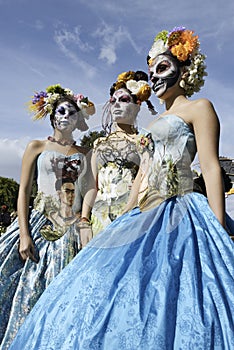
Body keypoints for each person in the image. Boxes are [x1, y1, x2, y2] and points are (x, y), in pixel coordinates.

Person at [9, 27, 234, 350]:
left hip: (182, 209)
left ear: (184, 72)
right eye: (152, 70)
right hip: (144, 212)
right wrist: (127, 212)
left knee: (180, 290)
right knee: (107, 286)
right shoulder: (154, 125)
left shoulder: (200, 108)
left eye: (162, 68)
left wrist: (217, 223)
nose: (154, 78)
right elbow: (144, 173)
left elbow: (211, 166)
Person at [0, 84, 95, 349]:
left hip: (73, 227)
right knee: (29, 289)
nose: (65, 116)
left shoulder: (86, 154)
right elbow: (24, 192)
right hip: (39, 223)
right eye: (60, 111)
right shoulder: (36, 146)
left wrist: (85, 220)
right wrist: (24, 234)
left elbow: (89, 189)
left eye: (72, 112)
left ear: (79, 119)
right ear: (52, 115)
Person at [81, 70, 156, 236]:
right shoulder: (99, 143)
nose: (116, 104)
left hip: (131, 216)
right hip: (99, 220)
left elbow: (144, 179)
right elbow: (92, 184)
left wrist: (128, 212)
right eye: (113, 101)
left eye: (123, 100)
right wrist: (84, 220)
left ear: (137, 105)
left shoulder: (143, 141)